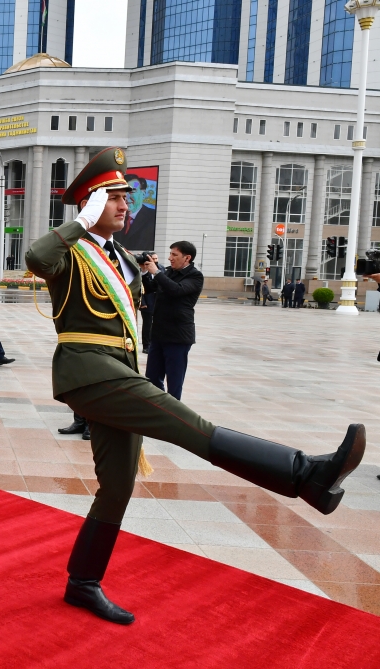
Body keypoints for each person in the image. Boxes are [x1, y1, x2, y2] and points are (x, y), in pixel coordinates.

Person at [25, 146, 364, 626]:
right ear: (93, 202)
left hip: (119, 370)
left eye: (125, 198)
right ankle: (305, 472)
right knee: (191, 426)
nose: (126, 206)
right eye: (116, 197)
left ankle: (82, 582)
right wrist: (82, 221)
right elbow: (35, 256)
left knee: (117, 487)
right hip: (89, 372)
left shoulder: (121, 256)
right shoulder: (71, 248)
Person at [141, 241, 203, 401]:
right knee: (152, 378)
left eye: (174, 255)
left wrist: (157, 273)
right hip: (159, 334)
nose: (170, 258)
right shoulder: (168, 272)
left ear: (187, 258)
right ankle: (159, 408)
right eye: (170, 254)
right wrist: (144, 272)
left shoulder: (195, 276)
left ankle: (173, 415)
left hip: (178, 337)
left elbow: (177, 290)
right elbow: (150, 288)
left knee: (174, 382)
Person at [137, 251, 163, 354]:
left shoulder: (161, 268)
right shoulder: (140, 269)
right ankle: (146, 345)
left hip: (157, 302)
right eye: (154, 259)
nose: (155, 261)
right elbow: (140, 287)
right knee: (147, 325)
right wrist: (142, 302)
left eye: (157, 259)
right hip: (146, 302)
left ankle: (154, 343)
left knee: (156, 324)